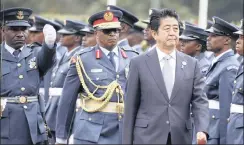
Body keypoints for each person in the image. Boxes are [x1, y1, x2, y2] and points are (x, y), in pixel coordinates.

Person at [123, 8, 209, 144]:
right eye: (167, 29)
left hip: (179, 137)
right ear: (154, 33)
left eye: (175, 29)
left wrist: (202, 129)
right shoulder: (139, 63)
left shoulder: (192, 64)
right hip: (147, 137)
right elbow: (130, 107)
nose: (172, 33)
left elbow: (200, 100)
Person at [55, 9, 138, 144]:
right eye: (107, 31)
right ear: (96, 33)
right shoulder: (82, 59)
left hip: (124, 130)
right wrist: (61, 137)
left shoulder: (133, 57)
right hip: (92, 131)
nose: (113, 34)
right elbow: (67, 100)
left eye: (116, 30)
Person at [0, 7, 56, 144]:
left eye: (24, 29)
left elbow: (47, 61)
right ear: (3, 30)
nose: (20, 34)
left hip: (32, 123)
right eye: (14, 30)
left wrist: (49, 45)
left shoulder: (35, 52)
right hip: (6, 123)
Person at [44, 19, 85, 144]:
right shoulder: (65, 54)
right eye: (61, 34)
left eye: (66, 35)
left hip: (67, 107)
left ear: (77, 37)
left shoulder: (80, 55)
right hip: (54, 106)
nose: (61, 37)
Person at [204, 16, 240, 144]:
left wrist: (225, 140)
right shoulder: (217, 62)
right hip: (208, 128)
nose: (208, 38)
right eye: (208, 35)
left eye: (213, 35)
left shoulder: (229, 67)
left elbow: (227, 109)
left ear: (227, 40)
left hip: (216, 133)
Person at [226, 19, 243, 144]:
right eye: (238, 37)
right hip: (236, 126)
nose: (237, 40)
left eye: (242, 37)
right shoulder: (241, 63)